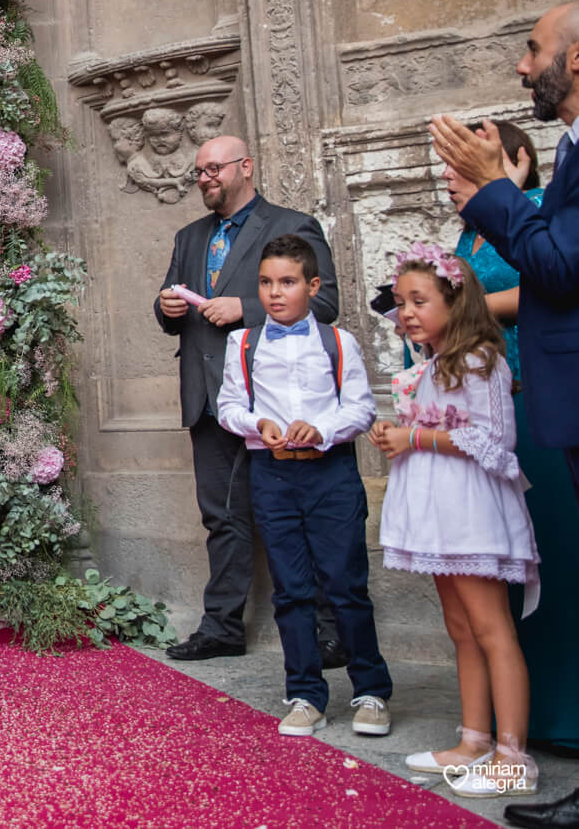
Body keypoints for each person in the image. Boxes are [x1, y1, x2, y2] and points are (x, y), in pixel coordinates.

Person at [429, 4, 579, 828]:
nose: (524, 67)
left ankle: (518, 747)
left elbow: (556, 269)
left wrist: (494, 187)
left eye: (533, 50)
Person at [155, 134, 346, 665]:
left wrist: (247, 308)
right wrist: (166, 306)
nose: (205, 178)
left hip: (275, 402)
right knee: (221, 517)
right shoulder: (189, 237)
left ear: (246, 167)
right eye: (199, 171)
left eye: (215, 168)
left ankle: (331, 630)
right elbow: (170, 307)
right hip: (207, 399)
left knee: (304, 513)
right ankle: (221, 628)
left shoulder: (290, 225)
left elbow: (326, 302)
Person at [373, 246, 540, 799]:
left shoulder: (480, 360)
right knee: (462, 628)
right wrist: (398, 436)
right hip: (438, 512)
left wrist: (415, 436)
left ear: (455, 300)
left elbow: (495, 442)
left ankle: (514, 755)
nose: (408, 313)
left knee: (492, 628)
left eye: (420, 301)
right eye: (401, 303)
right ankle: (473, 739)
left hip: (470, 512)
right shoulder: (431, 367)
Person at [214, 234, 392, 738]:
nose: (275, 293)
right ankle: (305, 694)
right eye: (266, 283)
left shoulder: (340, 342)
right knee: (291, 591)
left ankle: (371, 691)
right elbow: (228, 405)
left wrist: (324, 430)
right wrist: (256, 425)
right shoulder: (241, 343)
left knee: (345, 585)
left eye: (287, 282)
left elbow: (360, 408)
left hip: (331, 473)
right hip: (272, 474)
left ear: (312, 286)